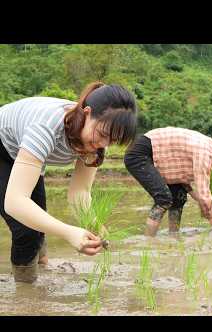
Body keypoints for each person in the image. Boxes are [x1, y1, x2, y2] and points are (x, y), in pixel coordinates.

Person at [0, 82, 138, 283]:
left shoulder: (97, 143)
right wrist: (69, 233)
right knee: (26, 228)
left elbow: (80, 192)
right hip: (2, 146)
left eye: (112, 141)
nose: (103, 145)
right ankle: (26, 294)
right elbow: (15, 202)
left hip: (24, 152)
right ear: (87, 113)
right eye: (102, 134)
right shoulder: (45, 126)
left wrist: (92, 223)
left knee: (38, 217)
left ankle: (41, 267)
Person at [124, 127, 212, 236]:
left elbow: (181, 178)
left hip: (153, 153)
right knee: (164, 198)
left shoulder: (207, 147)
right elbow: (204, 194)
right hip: (140, 154)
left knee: (179, 197)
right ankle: (149, 241)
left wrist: (198, 199)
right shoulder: (205, 153)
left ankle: (173, 236)